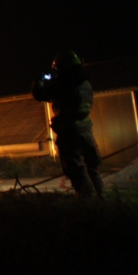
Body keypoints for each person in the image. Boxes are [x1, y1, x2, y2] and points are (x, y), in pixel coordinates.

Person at [32, 50, 104, 197]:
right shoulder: (85, 83)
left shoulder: (63, 84)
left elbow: (39, 94)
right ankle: (102, 200)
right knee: (93, 168)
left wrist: (39, 80)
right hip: (87, 130)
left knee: (76, 169)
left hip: (70, 132)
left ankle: (89, 203)